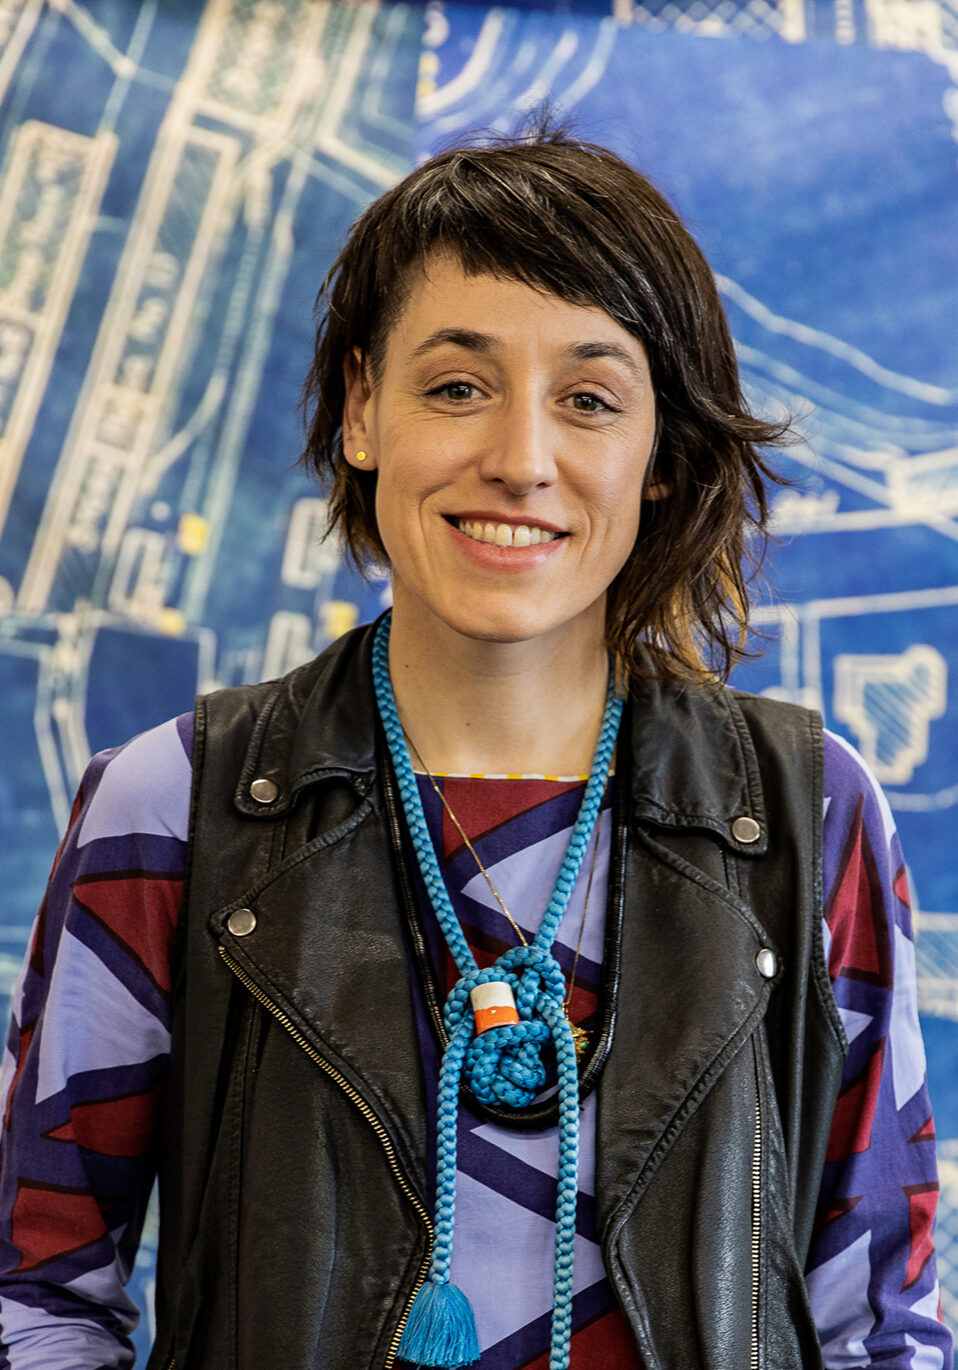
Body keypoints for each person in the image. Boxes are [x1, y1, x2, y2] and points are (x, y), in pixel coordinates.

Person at [0, 122, 951, 1370]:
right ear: (360, 410)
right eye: (457, 386)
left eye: (590, 399)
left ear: (659, 452)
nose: (520, 459)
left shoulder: (805, 804)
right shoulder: (172, 804)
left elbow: (882, 1324)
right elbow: (35, 1293)